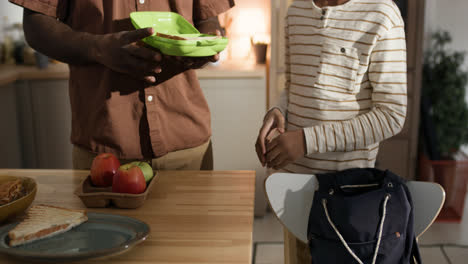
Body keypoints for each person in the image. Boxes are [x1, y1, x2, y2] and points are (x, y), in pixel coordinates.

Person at [255, 0, 407, 262]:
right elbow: (292, 86)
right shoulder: (296, 11)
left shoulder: (382, 13)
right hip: (290, 189)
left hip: (347, 196)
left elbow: (391, 115)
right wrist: (278, 111)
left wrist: (307, 140)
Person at [9, 0, 235, 170]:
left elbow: (208, 17)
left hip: (189, 147)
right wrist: (97, 48)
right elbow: (36, 24)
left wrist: (204, 43)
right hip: (104, 151)